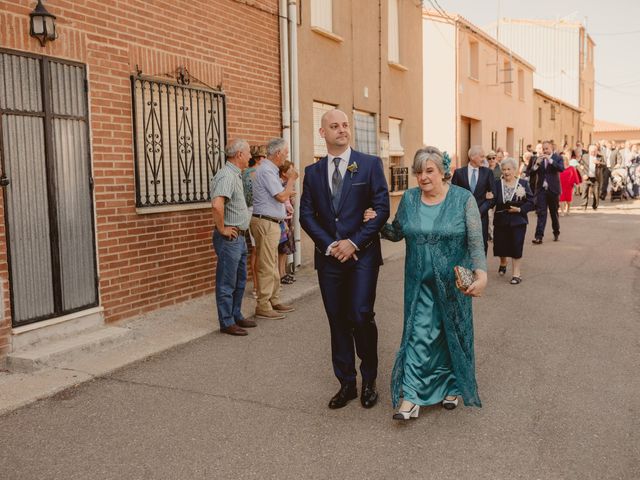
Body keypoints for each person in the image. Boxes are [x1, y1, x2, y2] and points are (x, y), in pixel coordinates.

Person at [380, 146, 486, 420]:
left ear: (442, 171)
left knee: (449, 332)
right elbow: (397, 231)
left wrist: (481, 274)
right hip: (418, 284)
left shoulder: (463, 199)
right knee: (417, 334)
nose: (423, 177)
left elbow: (475, 241)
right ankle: (412, 396)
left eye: (429, 170)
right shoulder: (410, 198)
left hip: (452, 283)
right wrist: (377, 222)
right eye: (419, 172)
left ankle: (451, 385)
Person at [300, 109, 390, 410]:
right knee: (337, 321)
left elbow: (381, 208)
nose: (342, 130)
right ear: (322, 133)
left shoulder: (369, 165)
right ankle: (347, 384)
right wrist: (330, 245)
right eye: (334, 126)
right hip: (329, 260)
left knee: (361, 314)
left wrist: (353, 242)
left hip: (362, 256)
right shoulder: (312, 173)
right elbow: (306, 215)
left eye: (345, 125)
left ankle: (370, 380)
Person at [250, 138, 298, 320]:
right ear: (277, 153)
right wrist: (292, 180)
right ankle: (263, 304)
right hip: (266, 223)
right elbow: (280, 196)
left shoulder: (270, 170)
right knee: (267, 264)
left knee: (272, 263)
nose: (286, 156)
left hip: (272, 222)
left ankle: (274, 299)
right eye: (285, 153)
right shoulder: (266, 171)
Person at [210, 139, 255, 336]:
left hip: (239, 238)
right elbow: (217, 205)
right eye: (248, 153)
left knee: (239, 279)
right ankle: (226, 321)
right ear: (239, 155)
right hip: (230, 238)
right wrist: (222, 229)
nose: (251, 157)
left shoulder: (236, 174)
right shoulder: (227, 175)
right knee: (227, 281)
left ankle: (236, 314)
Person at [492, 157, 535, 285]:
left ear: (515, 170)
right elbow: (492, 201)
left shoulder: (523, 183)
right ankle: (503, 262)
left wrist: (520, 209)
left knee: (516, 246)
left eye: (509, 169)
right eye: (504, 169)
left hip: (518, 220)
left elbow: (531, 202)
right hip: (500, 219)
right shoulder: (496, 184)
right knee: (500, 247)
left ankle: (516, 274)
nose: (506, 172)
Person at [451, 145, 495, 254]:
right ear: (472, 157)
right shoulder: (459, 173)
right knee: (464, 244)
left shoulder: (488, 173)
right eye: (481, 156)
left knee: (481, 244)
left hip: (482, 216)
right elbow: (453, 196)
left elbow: (493, 196)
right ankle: (466, 270)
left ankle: (480, 270)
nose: (483, 159)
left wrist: (480, 211)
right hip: (463, 217)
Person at [526, 140, 564, 244]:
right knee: (541, 213)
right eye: (543, 149)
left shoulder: (557, 157)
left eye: (547, 148)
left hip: (553, 190)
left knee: (553, 213)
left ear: (552, 148)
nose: (545, 150)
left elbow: (561, 169)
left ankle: (556, 231)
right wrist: (536, 165)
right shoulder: (538, 159)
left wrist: (550, 160)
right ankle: (539, 237)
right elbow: (529, 172)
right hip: (541, 190)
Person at [243, 145, 267, 298]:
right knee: (259, 251)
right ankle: (259, 287)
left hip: (247, 212)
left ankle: (256, 286)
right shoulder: (259, 173)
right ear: (260, 158)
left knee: (254, 250)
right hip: (258, 212)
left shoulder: (243, 173)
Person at [277, 160, 296, 285]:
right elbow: (283, 201)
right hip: (282, 219)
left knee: (286, 249)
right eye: (290, 170)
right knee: (282, 248)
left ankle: (283, 272)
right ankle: (280, 274)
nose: (293, 172)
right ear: (284, 173)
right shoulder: (280, 184)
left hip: (288, 218)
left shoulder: (287, 184)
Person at [578, 144, 604, 210]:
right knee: (584, 191)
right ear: (589, 151)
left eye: (595, 151)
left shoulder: (600, 157)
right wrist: (583, 174)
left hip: (596, 178)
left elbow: (604, 165)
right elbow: (580, 166)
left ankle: (595, 206)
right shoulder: (584, 156)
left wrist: (599, 163)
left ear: (597, 151)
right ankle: (584, 206)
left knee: (596, 193)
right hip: (587, 177)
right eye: (592, 151)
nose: (593, 153)